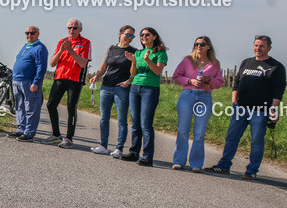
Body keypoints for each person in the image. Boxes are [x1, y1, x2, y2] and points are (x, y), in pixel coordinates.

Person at [207, 35, 285, 180]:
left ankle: (252, 170)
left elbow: (278, 90)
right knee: (231, 137)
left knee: (256, 140)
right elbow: (236, 82)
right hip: (240, 108)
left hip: (260, 110)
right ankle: (224, 166)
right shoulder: (246, 63)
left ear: (269, 48)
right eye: (256, 45)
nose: (258, 48)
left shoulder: (276, 67)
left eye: (261, 46)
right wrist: (234, 99)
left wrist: (273, 110)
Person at [171, 36, 223, 171]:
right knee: (183, 130)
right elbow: (176, 77)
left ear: (208, 46)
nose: (199, 46)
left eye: (202, 44)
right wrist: (190, 81)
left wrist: (209, 79)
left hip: (205, 97)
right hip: (187, 96)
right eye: (196, 44)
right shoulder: (187, 60)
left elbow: (220, 83)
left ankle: (196, 164)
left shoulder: (215, 64)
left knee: (200, 132)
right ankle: (179, 161)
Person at [121, 27, 168, 166]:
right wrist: (133, 61)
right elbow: (133, 73)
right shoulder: (138, 52)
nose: (143, 37)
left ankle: (147, 156)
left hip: (150, 89)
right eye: (141, 35)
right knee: (135, 123)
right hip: (135, 87)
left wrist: (147, 60)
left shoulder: (160, 53)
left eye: (147, 35)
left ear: (154, 36)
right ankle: (134, 152)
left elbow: (158, 71)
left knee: (146, 124)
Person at [88, 26, 135, 157]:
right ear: (120, 34)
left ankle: (119, 148)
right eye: (127, 35)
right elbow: (103, 67)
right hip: (106, 87)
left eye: (132, 36)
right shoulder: (111, 49)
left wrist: (129, 81)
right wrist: (96, 76)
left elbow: (134, 72)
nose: (129, 38)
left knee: (122, 120)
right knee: (104, 118)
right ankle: (103, 146)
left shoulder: (134, 52)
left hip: (122, 88)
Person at [45, 19, 91, 148]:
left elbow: (82, 63)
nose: (72, 30)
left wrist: (70, 50)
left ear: (80, 29)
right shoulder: (62, 41)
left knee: (71, 107)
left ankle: (69, 138)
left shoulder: (86, 42)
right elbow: (52, 63)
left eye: (75, 28)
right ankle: (56, 135)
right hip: (60, 77)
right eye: (69, 28)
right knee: (51, 104)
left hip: (75, 79)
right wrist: (61, 51)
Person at [10, 26, 48, 141]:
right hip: (17, 80)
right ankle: (21, 129)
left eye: (32, 33)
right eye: (27, 33)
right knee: (19, 107)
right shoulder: (25, 46)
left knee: (31, 108)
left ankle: (29, 132)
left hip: (29, 81)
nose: (29, 35)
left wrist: (36, 82)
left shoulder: (40, 48)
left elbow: (41, 67)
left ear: (37, 34)